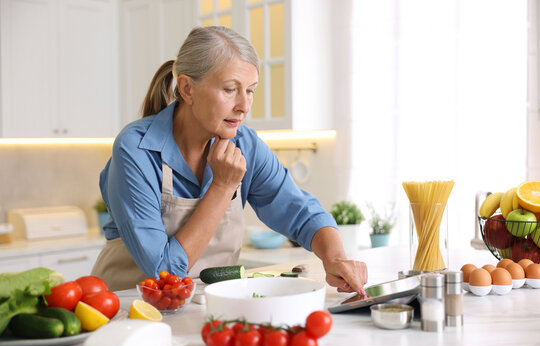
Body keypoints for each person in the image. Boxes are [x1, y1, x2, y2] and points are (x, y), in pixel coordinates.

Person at [92, 26, 368, 293]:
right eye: (229, 89)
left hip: (205, 309)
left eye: (250, 90)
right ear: (187, 89)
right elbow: (165, 272)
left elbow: (300, 211)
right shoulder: (136, 149)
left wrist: (334, 258)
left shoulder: (245, 144)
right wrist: (222, 187)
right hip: (127, 312)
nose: (244, 105)